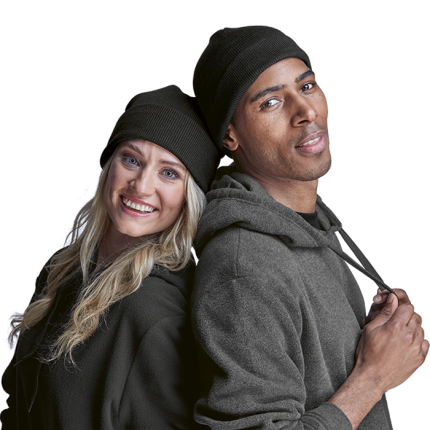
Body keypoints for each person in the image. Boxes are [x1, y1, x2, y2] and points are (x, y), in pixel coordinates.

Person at [190, 25, 429, 429]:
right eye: (270, 102)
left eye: (307, 86)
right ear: (230, 135)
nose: (305, 112)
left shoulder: (305, 224)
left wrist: (364, 339)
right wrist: (373, 377)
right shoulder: (244, 268)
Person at [1, 84, 222, 429]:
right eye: (132, 159)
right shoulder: (62, 271)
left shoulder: (154, 315)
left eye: (169, 173)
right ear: (110, 165)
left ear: (188, 197)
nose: (142, 185)